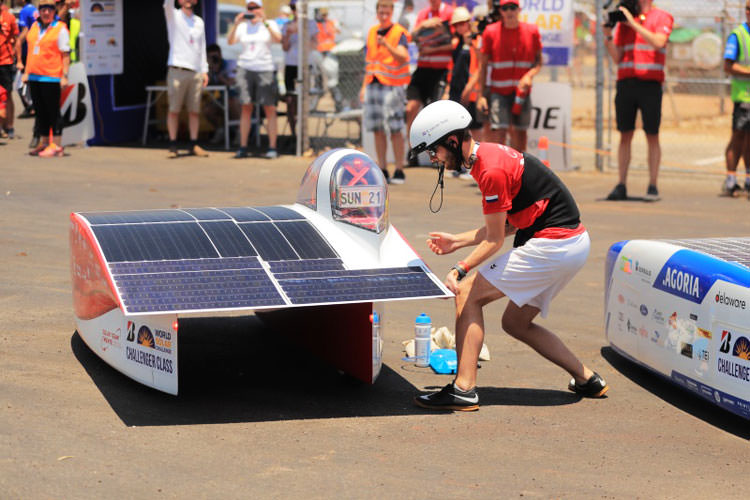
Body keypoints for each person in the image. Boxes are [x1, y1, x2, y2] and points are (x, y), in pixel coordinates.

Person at [409, 99, 608, 411]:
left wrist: (459, 269)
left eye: (434, 150)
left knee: (467, 295)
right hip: (571, 243)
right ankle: (587, 378)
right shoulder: (488, 157)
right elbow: (511, 221)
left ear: (451, 140)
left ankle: (463, 388)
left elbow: (495, 240)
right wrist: (457, 241)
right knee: (516, 323)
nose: (434, 158)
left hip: (553, 244)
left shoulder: (490, 170)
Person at [603, 0, 673, 201]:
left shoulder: (661, 16)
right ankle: (621, 184)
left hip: (650, 85)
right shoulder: (625, 20)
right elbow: (617, 57)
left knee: (652, 134)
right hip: (626, 83)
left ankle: (653, 185)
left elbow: (659, 42)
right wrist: (608, 34)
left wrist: (633, 25)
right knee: (625, 134)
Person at [477, 0, 542, 152]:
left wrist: (529, 76)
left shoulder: (531, 31)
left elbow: (538, 62)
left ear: (519, 9)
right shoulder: (490, 32)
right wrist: (481, 95)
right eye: (505, 8)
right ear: (500, 11)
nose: (509, 12)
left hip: (522, 93)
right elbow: (483, 65)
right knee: (498, 133)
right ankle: (501, 172)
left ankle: (519, 172)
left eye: (512, 8)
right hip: (498, 93)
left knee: (520, 134)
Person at [360, 0, 409, 184]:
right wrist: (364, 87)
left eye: (387, 11)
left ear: (392, 12)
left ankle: (399, 169)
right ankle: (382, 168)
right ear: (377, 12)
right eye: (381, 11)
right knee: (377, 129)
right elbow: (369, 61)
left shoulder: (398, 32)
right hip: (373, 84)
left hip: (392, 86)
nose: (384, 14)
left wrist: (387, 44)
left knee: (395, 129)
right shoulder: (372, 32)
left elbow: (403, 56)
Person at [228, 0, 282, 159]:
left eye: (255, 7)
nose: (252, 10)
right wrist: (236, 24)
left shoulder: (269, 23)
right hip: (245, 68)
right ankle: (243, 146)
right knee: (246, 106)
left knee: (269, 108)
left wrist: (264, 21)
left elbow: (278, 39)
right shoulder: (243, 26)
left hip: (265, 68)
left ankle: (272, 147)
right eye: (249, 8)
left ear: (261, 8)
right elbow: (230, 41)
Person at [22, 0, 70, 157]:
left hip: (52, 77)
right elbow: (30, 51)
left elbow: (65, 54)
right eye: (43, 10)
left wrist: (64, 76)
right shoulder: (34, 27)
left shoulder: (60, 28)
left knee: (52, 112)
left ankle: (56, 145)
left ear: (54, 11)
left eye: (49, 10)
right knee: (40, 112)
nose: (46, 13)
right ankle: (43, 143)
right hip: (34, 76)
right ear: (39, 12)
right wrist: (26, 72)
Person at [163, 0, 209, 159]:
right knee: (174, 109)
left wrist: (204, 70)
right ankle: (173, 144)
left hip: (195, 71)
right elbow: (167, 5)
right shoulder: (174, 16)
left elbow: (202, 47)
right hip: (177, 69)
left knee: (194, 111)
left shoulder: (199, 22)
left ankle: (193, 144)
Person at [405, 0, 453, 137]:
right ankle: (412, 150)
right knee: (410, 108)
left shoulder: (449, 13)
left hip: (441, 70)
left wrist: (433, 49)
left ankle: (438, 151)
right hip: (423, 68)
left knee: (436, 114)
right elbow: (411, 37)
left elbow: (456, 42)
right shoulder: (423, 14)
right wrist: (423, 25)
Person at [722, 0, 750, 197]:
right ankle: (731, 179)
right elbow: (728, 66)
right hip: (743, 97)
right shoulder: (738, 35)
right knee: (738, 138)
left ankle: (748, 178)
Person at [281, 0, 317, 138]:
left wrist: (302, 31)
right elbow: (285, 47)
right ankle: (293, 134)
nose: (295, 11)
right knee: (290, 100)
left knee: (304, 99)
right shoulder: (287, 25)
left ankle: (304, 135)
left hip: (305, 65)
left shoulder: (311, 24)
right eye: (293, 8)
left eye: (297, 8)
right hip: (291, 65)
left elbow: (314, 45)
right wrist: (289, 34)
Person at [203, 43, 239, 145]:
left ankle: (239, 132)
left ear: (220, 55)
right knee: (207, 110)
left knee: (231, 101)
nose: (213, 59)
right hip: (222, 100)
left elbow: (232, 83)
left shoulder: (230, 64)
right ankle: (220, 130)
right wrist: (209, 71)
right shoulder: (208, 69)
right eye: (210, 57)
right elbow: (209, 89)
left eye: (215, 57)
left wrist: (220, 76)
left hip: (236, 99)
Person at [14, 0, 38, 126]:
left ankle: (32, 108)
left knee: (20, 85)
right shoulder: (34, 9)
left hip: (26, 52)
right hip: (34, 51)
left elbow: (25, 31)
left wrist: (17, 44)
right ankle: (33, 107)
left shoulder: (25, 10)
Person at [0, 0, 18, 139]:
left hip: (5, 62)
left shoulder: (9, 17)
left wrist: (20, 60)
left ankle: (9, 126)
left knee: (8, 94)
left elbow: (16, 38)